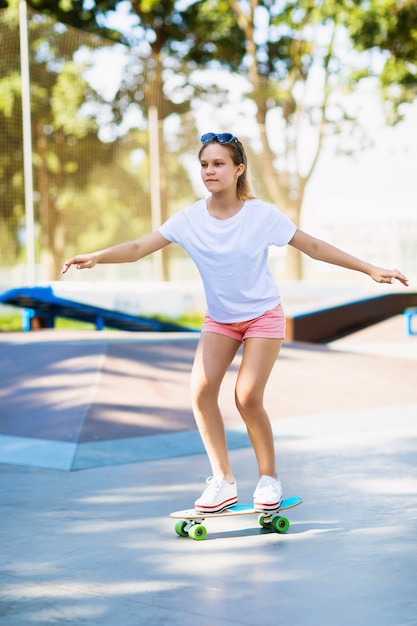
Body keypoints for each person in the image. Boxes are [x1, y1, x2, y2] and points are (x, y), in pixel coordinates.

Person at [62, 132, 409, 514]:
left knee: (246, 396)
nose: (209, 171)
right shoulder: (190, 219)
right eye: (205, 165)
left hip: (262, 316)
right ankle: (223, 482)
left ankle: (269, 478)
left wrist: (369, 268)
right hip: (221, 320)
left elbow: (311, 246)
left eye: (218, 164)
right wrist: (97, 256)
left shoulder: (261, 215)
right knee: (200, 391)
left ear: (238, 169)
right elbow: (138, 248)